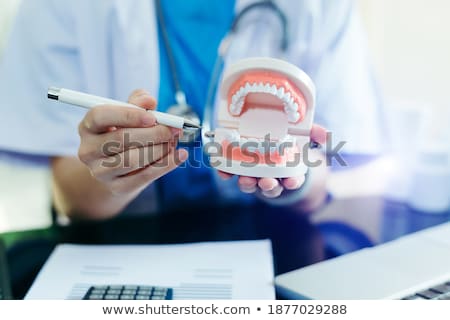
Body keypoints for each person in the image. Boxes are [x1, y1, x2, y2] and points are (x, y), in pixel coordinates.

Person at [0, 0, 382, 222]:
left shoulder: (322, 6)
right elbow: (73, 197)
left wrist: (293, 177)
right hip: (122, 247)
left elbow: (322, 169)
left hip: (271, 243)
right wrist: (108, 174)